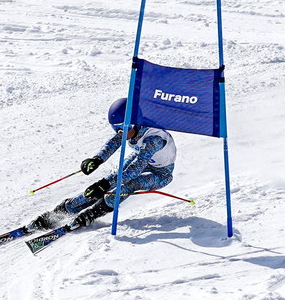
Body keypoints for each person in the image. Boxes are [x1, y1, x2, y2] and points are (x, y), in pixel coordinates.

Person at [29, 97, 176, 232]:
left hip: (161, 173)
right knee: (111, 178)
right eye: (117, 129)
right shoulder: (131, 129)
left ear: (135, 122)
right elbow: (114, 142)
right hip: (142, 158)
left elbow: (135, 170)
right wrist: (97, 159)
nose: (121, 133)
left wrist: (103, 185)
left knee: (127, 185)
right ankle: (64, 210)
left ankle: (92, 213)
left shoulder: (154, 138)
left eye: (125, 128)